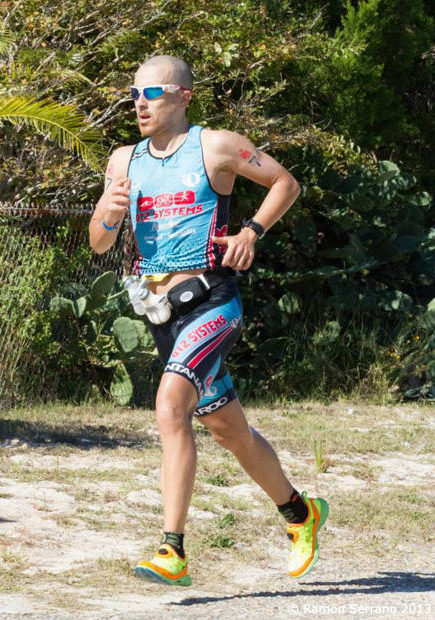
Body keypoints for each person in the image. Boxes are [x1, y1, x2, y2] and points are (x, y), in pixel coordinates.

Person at [89, 55, 328, 587]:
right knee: (228, 430)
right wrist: (108, 211)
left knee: (171, 406)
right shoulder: (123, 160)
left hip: (212, 302)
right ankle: (301, 513)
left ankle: (172, 550)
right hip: (160, 314)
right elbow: (99, 242)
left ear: (183, 96)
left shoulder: (216, 146)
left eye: (152, 93)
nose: (140, 103)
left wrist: (251, 232)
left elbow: (284, 183)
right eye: (134, 94)